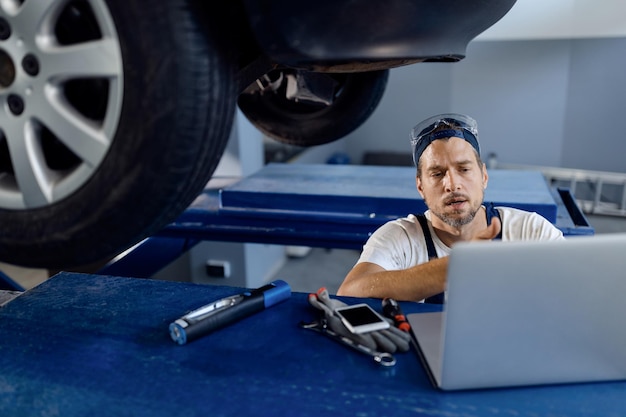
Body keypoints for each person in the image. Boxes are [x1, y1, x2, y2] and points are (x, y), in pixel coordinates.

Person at [336, 113, 564, 303]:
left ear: (484, 176)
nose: (452, 184)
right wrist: (458, 266)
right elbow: (350, 291)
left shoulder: (530, 232)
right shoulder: (399, 238)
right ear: (420, 186)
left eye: (464, 169)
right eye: (437, 174)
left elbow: (574, 290)